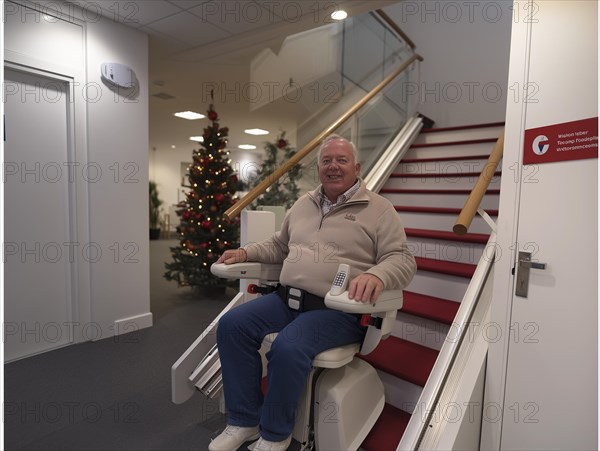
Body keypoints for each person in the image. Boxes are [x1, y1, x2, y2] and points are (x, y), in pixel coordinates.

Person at [210, 134, 416, 451]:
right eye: (326, 160)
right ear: (319, 167)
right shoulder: (303, 204)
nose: (333, 166)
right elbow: (279, 246)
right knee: (232, 326)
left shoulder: (379, 210)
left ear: (357, 167)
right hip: (287, 300)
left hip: (338, 312)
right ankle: (244, 421)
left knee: (288, 346)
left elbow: (402, 259)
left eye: (341, 160)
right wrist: (246, 252)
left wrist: (377, 274)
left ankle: (275, 435)